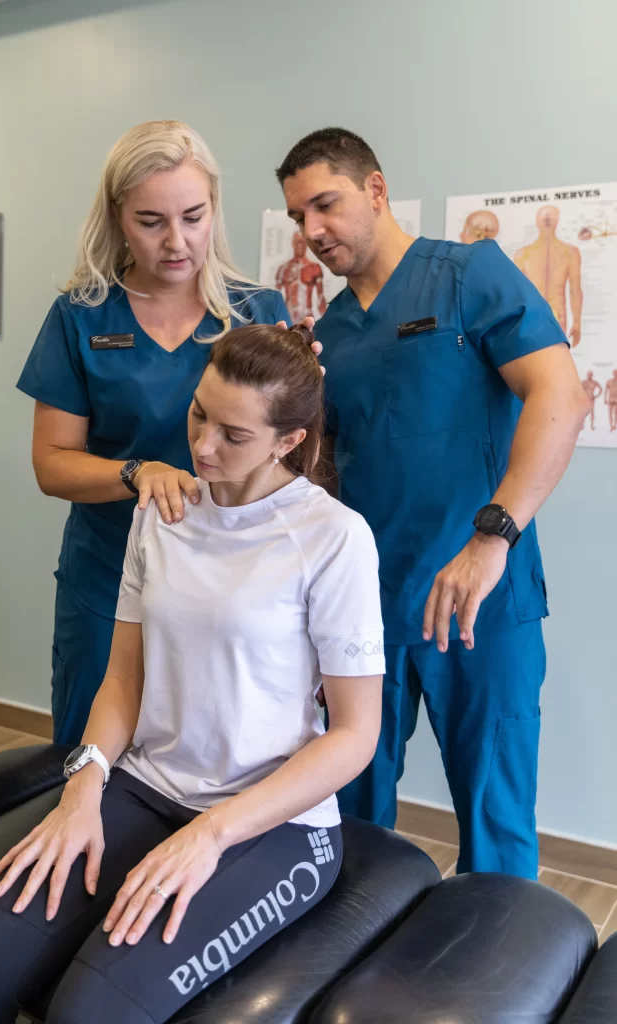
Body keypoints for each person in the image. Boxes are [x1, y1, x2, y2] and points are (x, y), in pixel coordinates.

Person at [0, 324, 385, 1024]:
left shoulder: (332, 537)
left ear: (287, 440)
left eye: (234, 435)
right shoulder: (163, 510)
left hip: (271, 825)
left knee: (90, 1010)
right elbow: (124, 681)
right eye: (200, 413)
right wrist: (82, 787)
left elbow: (353, 736)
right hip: (146, 786)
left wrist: (209, 835)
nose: (202, 446)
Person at [277, 127, 591, 879]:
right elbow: (330, 476)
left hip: (479, 597)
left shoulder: (467, 275)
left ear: (375, 189)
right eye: (296, 217)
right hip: (365, 609)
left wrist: (491, 541)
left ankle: (500, 979)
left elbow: (560, 395)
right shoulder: (331, 333)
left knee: (493, 823)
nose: (311, 231)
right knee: (347, 812)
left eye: (324, 205)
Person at [16, 120, 306, 746]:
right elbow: (52, 464)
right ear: (118, 217)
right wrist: (136, 472)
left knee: (216, 759)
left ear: (214, 210)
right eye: (151, 222)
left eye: (194, 217)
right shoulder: (83, 315)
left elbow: (290, 458)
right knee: (91, 758)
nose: (177, 241)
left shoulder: (258, 311)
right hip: (108, 575)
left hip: (229, 585)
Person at [514, 205, 583, 346]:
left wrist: (577, 323)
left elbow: (575, 290)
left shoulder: (570, 252)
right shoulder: (523, 254)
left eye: (549, 218)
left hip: (548, 318)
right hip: (537, 319)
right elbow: (515, 294)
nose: (547, 221)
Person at [275, 230, 327, 321]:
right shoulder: (283, 269)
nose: (300, 246)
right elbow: (276, 299)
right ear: (292, 244)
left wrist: (326, 321)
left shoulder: (314, 268)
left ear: (306, 244)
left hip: (307, 317)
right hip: (287, 317)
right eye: (297, 242)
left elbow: (320, 298)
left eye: (302, 242)